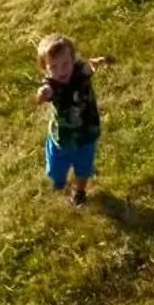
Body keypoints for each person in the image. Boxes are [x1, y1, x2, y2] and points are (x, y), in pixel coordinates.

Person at [35, 35, 109, 205]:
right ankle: (59, 182)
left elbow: (89, 67)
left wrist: (98, 62)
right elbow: (46, 91)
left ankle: (80, 192)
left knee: (83, 169)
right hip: (62, 138)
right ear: (45, 69)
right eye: (53, 67)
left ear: (73, 60)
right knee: (55, 172)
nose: (61, 71)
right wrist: (42, 94)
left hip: (86, 134)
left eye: (65, 64)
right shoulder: (52, 85)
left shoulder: (80, 71)